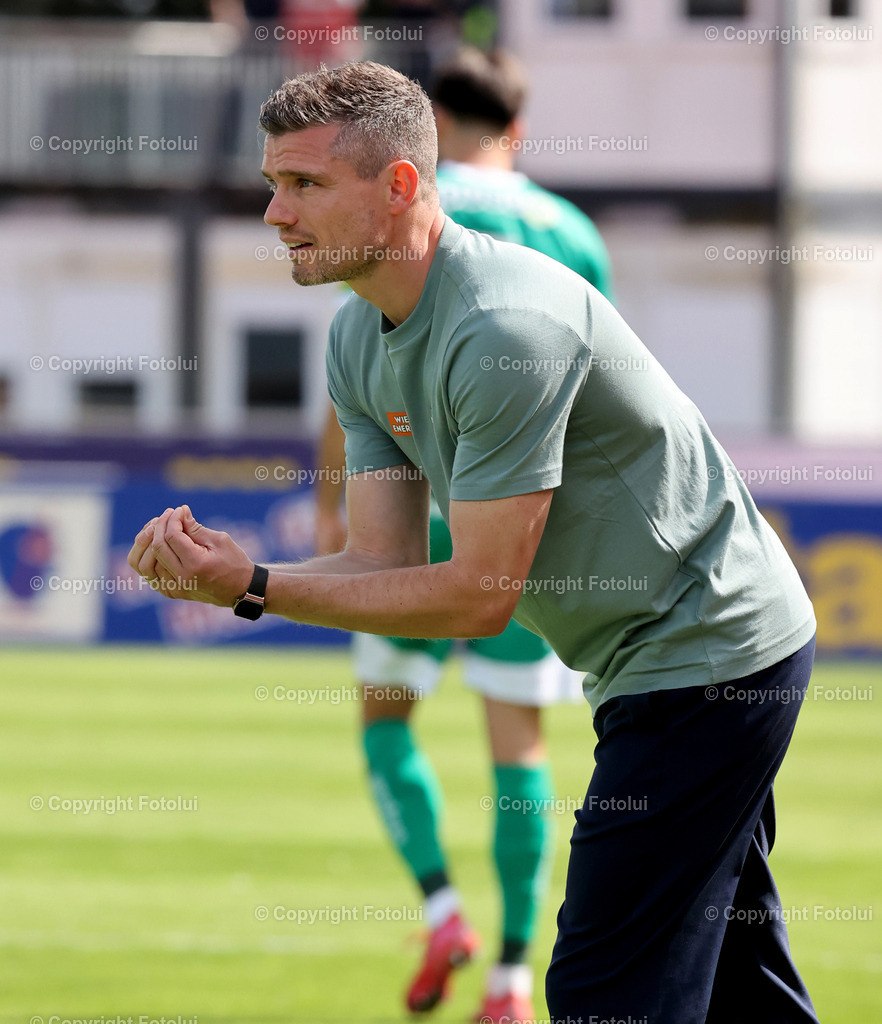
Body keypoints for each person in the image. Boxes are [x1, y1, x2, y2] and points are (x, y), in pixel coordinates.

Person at [129, 61, 820, 1024]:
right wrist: (241, 573)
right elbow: (384, 560)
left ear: (403, 184)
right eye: (272, 185)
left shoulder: (503, 325)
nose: (276, 215)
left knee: (603, 989)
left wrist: (254, 588)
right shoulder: (359, 336)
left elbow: (478, 595)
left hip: (709, 654)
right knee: (741, 989)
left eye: (306, 185)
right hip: (654, 660)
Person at [311, 46, 615, 1023]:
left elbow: (361, 363)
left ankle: (443, 908)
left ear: (431, 124)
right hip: (525, 522)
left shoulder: (411, 210)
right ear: (519, 130)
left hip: (415, 509)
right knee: (516, 748)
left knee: (386, 720)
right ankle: (513, 978)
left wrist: (333, 501)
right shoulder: (571, 229)